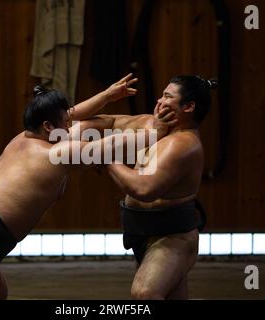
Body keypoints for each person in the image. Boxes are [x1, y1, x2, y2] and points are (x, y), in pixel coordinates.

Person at [0, 74, 173, 300]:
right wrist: (156, 132)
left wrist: (107, 96)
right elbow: (109, 146)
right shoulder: (57, 153)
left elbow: (73, 112)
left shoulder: (22, 138)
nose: (71, 127)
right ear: (49, 127)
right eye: (66, 124)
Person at [92, 75, 217, 299]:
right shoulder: (152, 124)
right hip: (141, 230)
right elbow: (107, 121)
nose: (159, 101)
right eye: (162, 94)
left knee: (145, 294)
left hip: (172, 235)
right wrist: (106, 96)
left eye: (168, 97)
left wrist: (107, 157)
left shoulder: (183, 144)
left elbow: (144, 189)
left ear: (188, 107)